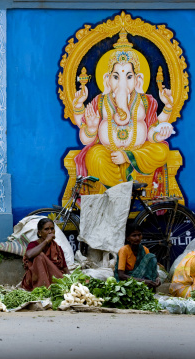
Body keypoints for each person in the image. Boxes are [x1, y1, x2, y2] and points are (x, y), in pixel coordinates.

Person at [72, 31, 174, 189]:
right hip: (108, 153)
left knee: (161, 151)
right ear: (107, 80)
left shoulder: (146, 101)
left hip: (137, 153)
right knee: (93, 156)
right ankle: (121, 193)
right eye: (116, 76)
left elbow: (151, 131)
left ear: (137, 80)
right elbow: (85, 139)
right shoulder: (100, 101)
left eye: (128, 76)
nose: (122, 82)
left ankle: (127, 170)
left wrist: (159, 130)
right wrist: (91, 127)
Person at [21, 218, 69, 291]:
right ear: (39, 233)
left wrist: (72, 280)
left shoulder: (57, 248)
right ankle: (42, 289)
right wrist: (46, 241)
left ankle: (53, 287)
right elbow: (29, 255)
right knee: (39, 256)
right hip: (36, 279)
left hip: (54, 278)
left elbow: (65, 269)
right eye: (46, 229)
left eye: (52, 229)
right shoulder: (34, 244)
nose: (50, 232)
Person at [114, 223, 160, 289]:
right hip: (128, 281)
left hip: (143, 280)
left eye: (139, 235)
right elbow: (121, 275)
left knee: (151, 257)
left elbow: (151, 267)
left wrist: (157, 277)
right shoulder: (124, 250)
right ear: (127, 238)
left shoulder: (144, 249)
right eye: (134, 235)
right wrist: (143, 281)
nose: (137, 238)